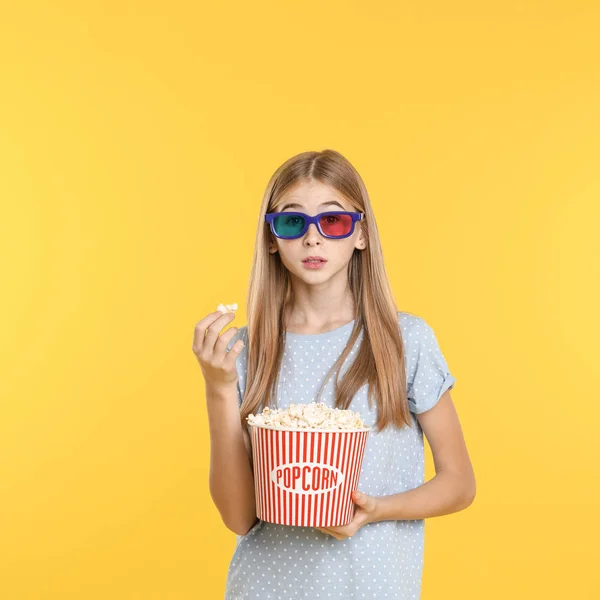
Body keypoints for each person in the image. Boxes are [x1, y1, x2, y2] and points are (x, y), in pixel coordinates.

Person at [193, 149, 476, 599]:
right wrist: (218, 389)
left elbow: (459, 483)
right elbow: (238, 518)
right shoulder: (245, 353)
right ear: (271, 238)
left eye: (334, 222)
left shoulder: (405, 342)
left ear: (360, 234)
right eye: (292, 222)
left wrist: (376, 509)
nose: (313, 239)